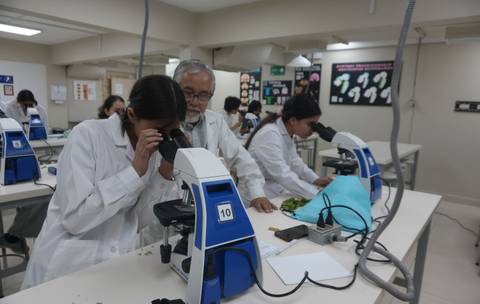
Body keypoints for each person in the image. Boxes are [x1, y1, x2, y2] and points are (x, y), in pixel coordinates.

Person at [21, 75, 186, 289]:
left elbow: (136, 220)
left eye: (170, 131)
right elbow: (75, 218)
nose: (164, 138)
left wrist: (164, 173)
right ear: (132, 114)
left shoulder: (154, 150)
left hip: (116, 266)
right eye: (159, 129)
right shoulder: (87, 135)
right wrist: (134, 172)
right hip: (66, 268)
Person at [173, 59, 276, 213]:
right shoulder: (158, 121)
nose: (194, 102)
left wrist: (257, 193)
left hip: (206, 202)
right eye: (187, 93)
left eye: (203, 95)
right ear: (174, 90)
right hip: (169, 206)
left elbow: (241, 157)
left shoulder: (215, 121)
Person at [244, 94, 333, 199]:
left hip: (274, 188)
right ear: (293, 120)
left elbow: (295, 162)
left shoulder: (287, 133)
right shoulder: (270, 134)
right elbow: (282, 174)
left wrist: (316, 180)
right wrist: (316, 194)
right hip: (257, 194)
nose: (313, 129)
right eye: (310, 124)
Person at [0, 90, 49, 254]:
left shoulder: (3, 111)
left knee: (36, 196)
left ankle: (14, 235)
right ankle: (14, 236)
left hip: (14, 156)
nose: (27, 107)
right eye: (25, 105)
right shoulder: (9, 108)